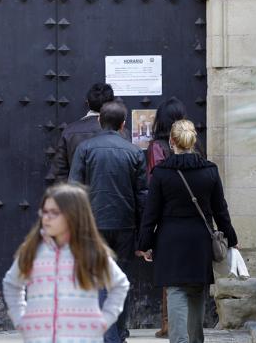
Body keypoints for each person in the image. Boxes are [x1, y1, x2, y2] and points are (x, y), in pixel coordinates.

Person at [137, 120, 239, 343]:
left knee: (176, 291)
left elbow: (150, 214)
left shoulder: (161, 173)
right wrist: (231, 239)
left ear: (171, 141)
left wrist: (144, 244)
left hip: (170, 240)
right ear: (193, 141)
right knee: (196, 292)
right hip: (200, 241)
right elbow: (221, 210)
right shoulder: (210, 171)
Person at [2, 183, 129, 343]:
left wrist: (104, 320)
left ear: (73, 216)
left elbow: (120, 284)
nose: (46, 217)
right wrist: (21, 319)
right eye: (44, 211)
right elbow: (12, 283)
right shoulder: (33, 250)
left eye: (54, 213)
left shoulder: (91, 252)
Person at [69, 100, 148, 343]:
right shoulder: (134, 152)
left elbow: (74, 189)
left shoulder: (85, 149)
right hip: (125, 226)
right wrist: (144, 233)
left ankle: (110, 335)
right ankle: (117, 333)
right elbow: (142, 196)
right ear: (123, 124)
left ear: (99, 121)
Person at [146, 96, 187, 337]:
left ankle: (168, 323)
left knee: (170, 273)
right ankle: (181, 324)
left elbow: (155, 184)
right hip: (191, 214)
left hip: (168, 216)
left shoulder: (156, 147)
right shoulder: (195, 146)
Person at [48, 83, 115, 182]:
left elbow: (60, 171)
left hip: (79, 194)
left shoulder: (69, 131)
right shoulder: (120, 132)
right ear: (112, 104)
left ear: (88, 102)